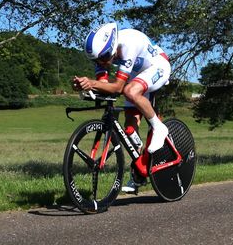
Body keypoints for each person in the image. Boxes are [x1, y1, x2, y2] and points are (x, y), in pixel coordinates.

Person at [72, 22, 171, 193]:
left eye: (102, 59)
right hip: (137, 73)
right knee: (130, 130)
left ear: (111, 48)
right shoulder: (102, 54)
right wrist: (85, 86)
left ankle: (159, 128)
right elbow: (103, 85)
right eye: (96, 61)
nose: (100, 64)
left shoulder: (128, 43)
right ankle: (139, 172)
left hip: (158, 66)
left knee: (130, 91)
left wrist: (92, 83)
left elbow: (117, 87)